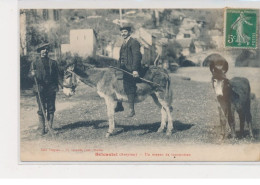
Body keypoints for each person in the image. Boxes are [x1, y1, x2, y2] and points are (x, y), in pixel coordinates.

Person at [29, 43, 61, 135]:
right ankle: (42, 129)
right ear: (39, 51)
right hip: (40, 88)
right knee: (41, 108)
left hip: (51, 88)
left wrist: (63, 86)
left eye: (46, 49)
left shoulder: (53, 62)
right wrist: (32, 75)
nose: (45, 51)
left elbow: (57, 76)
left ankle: (50, 127)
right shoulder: (34, 62)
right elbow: (28, 75)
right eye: (43, 49)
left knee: (51, 108)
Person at [117, 25, 142, 117]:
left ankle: (131, 109)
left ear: (129, 32)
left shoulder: (134, 42)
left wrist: (135, 70)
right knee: (117, 82)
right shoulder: (123, 43)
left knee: (128, 84)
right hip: (123, 68)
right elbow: (121, 57)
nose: (123, 33)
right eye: (122, 32)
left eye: (125, 32)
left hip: (131, 69)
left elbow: (137, 56)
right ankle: (119, 105)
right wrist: (117, 67)